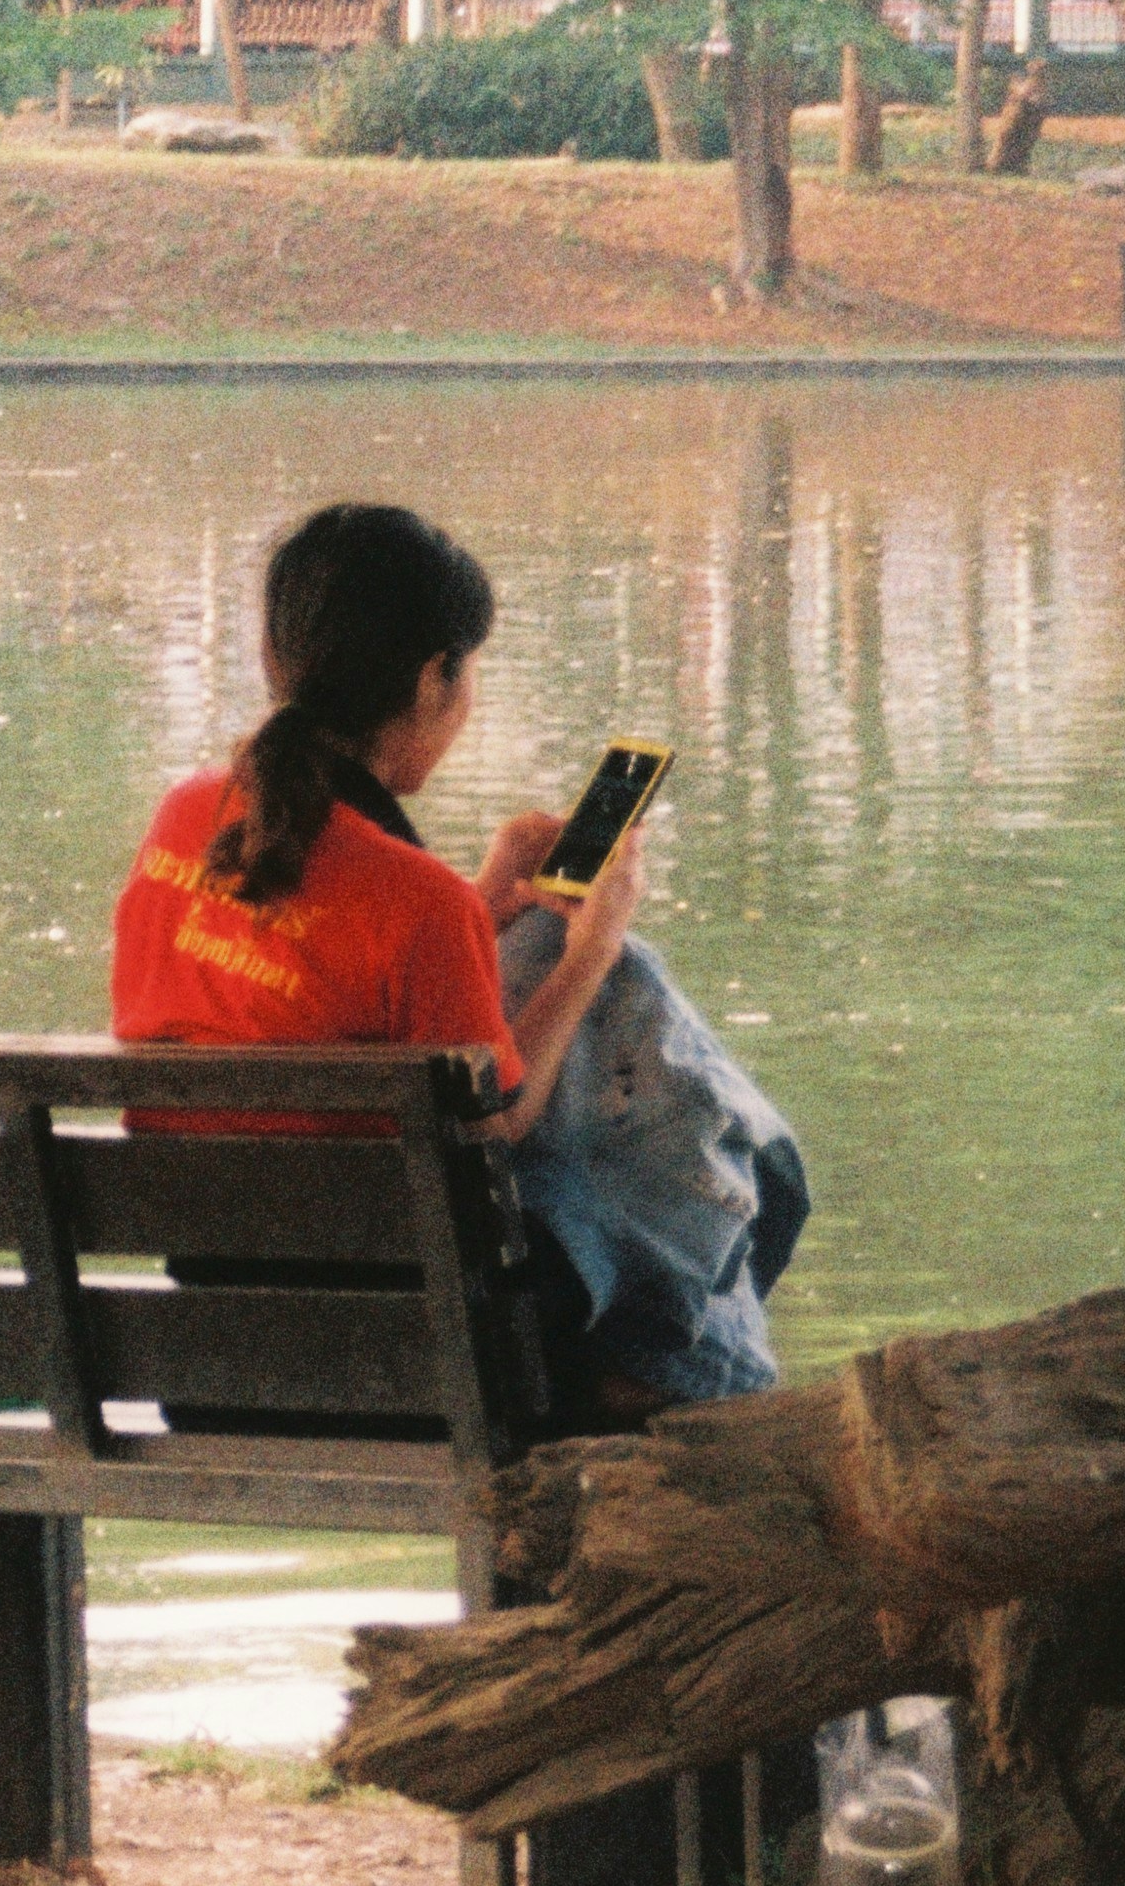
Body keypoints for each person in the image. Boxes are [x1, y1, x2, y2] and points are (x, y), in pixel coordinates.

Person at [115, 502, 804, 1423]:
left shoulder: (182, 821)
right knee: (652, 1168)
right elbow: (498, 1125)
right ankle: (709, 1389)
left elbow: (317, 977)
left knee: (633, 1188)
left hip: (220, 1360)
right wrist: (587, 957)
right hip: (413, 1362)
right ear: (434, 675)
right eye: (468, 668)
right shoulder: (413, 899)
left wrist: (478, 898)